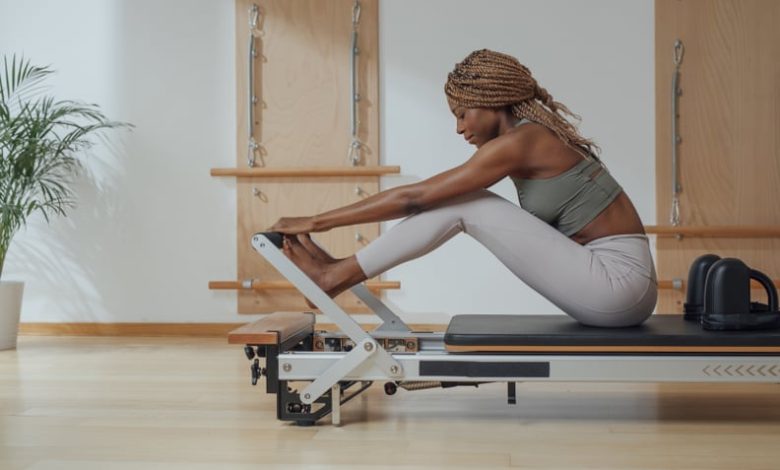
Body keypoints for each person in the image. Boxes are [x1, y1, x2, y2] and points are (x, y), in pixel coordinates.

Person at [268, 49, 657, 328]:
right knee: (464, 201)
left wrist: (318, 221)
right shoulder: (529, 139)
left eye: (462, 113)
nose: (459, 128)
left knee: (467, 203)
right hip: (615, 284)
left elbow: (415, 197)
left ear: (491, 102)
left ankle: (336, 275)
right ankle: (336, 271)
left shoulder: (521, 143)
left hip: (619, 285)